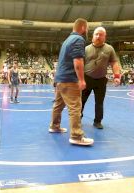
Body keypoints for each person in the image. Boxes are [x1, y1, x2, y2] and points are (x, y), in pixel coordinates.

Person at [49, 18, 93, 146]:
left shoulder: (67, 40)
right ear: (83, 28)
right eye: (88, 28)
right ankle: (76, 135)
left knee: (58, 105)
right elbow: (78, 61)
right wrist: (81, 80)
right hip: (69, 80)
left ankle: (54, 126)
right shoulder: (78, 39)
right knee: (75, 107)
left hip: (60, 79)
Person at [81, 27, 121, 129]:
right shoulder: (86, 49)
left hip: (101, 80)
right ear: (93, 36)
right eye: (96, 34)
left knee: (99, 102)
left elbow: (114, 63)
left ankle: (97, 121)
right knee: (81, 100)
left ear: (105, 37)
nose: (98, 36)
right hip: (87, 79)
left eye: (101, 34)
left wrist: (117, 76)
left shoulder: (109, 49)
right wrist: (79, 79)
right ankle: (77, 118)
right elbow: (80, 65)